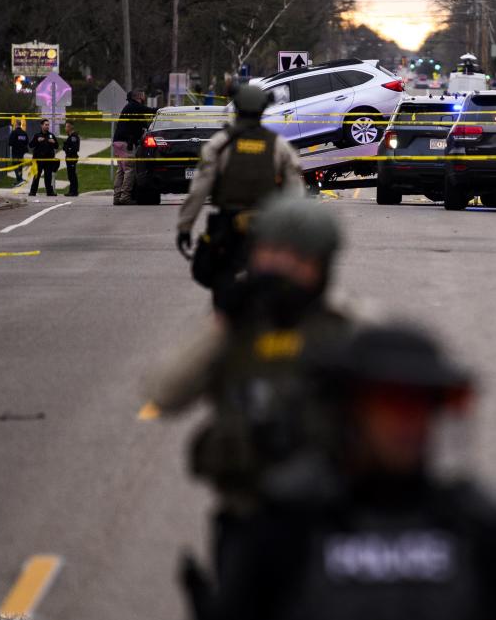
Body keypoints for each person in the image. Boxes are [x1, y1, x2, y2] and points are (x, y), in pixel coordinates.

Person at [189, 322, 496, 620]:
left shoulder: (489, 533)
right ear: (350, 410)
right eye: (391, 404)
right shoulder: (285, 526)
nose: (409, 423)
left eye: (422, 406)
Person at [149, 196, 351, 563]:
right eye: (271, 253)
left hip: (328, 517)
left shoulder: (346, 328)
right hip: (247, 514)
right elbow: (164, 393)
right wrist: (224, 323)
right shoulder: (236, 329)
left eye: (297, 258)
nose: (282, 267)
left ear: (321, 266)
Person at [175, 82, 303, 310]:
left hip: (228, 228)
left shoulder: (219, 145)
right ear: (263, 109)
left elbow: (199, 190)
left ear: (237, 108)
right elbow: (295, 192)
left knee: (221, 280)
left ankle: (225, 322)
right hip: (267, 227)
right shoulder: (279, 147)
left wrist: (185, 227)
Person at [114, 89, 156, 205]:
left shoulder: (129, 108)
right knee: (129, 170)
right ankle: (125, 198)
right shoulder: (134, 106)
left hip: (118, 142)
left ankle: (117, 197)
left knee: (121, 170)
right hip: (126, 143)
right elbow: (150, 110)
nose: (144, 97)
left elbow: (142, 124)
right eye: (143, 95)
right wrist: (163, 110)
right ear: (138, 97)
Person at [27, 119, 59, 197]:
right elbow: (31, 145)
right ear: (41, 125)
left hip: (48, 160)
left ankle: (50, 192)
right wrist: (37, 141)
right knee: (36, 176)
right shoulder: (37, 135)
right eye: (46, 125)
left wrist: (54, 142)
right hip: (39, 160)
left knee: (48, 176)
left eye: (48, 125)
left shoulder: (51, 135)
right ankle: (33, 192)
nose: (47, 126)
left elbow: (57, 146)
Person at [7, 118, 29, 184]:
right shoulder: (24, 133)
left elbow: (10, 143)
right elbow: (27, 142)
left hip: (15, 152)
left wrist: (15, 144)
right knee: (20, 166)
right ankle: (20, 178)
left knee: (15, 165)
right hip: (22, 153)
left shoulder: (14, 133)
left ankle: (19, 179)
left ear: (16, 124)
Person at [63, 122, 81, 197]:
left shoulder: (74, 137)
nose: (65, 128)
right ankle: (71, 190)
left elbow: (75, 148)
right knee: (70, 175)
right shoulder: (70, 136)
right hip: (69, 157)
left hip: (72, 158)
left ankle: (74, 191)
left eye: (66, 127)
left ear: (70, 127)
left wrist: (67, 148)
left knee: (72, 175)